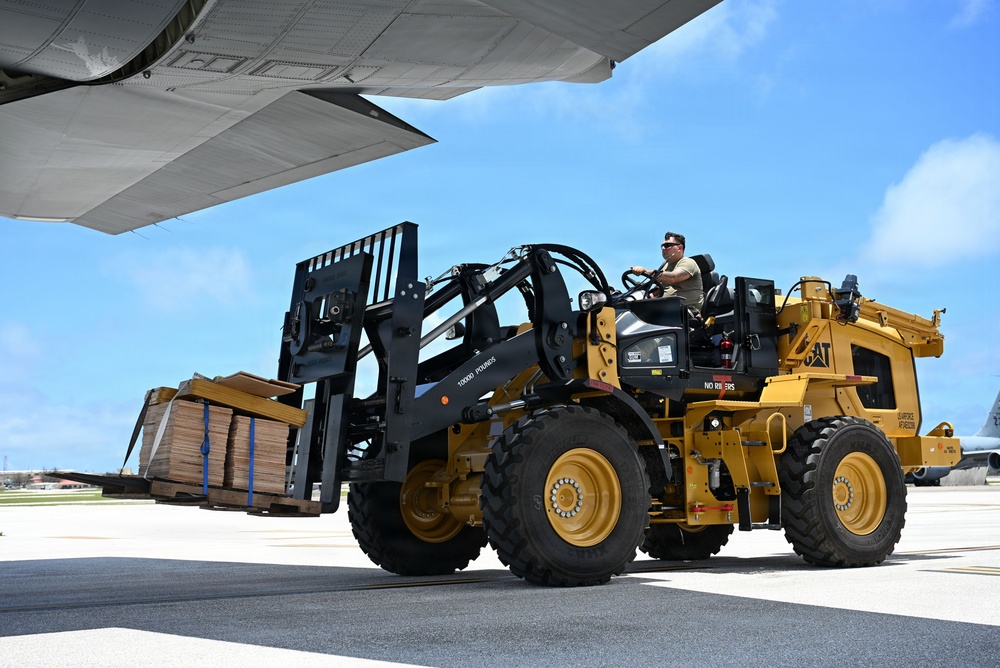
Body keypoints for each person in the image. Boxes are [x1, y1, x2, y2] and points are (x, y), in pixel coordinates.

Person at [631, 232, 704, 310]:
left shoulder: (688, 262)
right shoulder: (665, 267)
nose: (663, 248)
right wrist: (648, 296)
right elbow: (660, 289)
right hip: (666, 310)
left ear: (679, 248)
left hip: (686, 312)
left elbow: (673, 278)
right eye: (662, 246)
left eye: (667, 245)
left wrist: (646, 271)